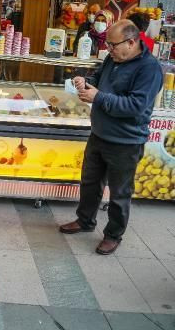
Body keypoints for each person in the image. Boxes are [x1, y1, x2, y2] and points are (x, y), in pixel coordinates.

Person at [59, 20, 163, 255]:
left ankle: (113, 235)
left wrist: (98, 97)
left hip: (126, 142)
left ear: (131, 42)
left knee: (119, 193)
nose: (109, 49)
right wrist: (86, 83)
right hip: (99, 135)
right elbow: (98, 78)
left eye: (113, 45)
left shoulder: (149, 68)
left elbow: (135, 106)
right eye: (107, 44)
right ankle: (85, 220)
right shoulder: (113, 58)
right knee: (90, 183)